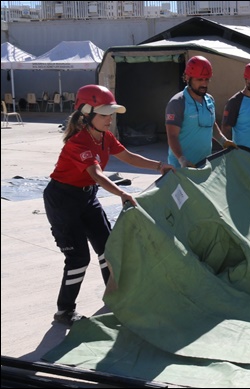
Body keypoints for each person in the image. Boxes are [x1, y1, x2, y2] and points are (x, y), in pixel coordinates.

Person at [44, 84, 174, 326]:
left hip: (86, 197)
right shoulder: (78, 143)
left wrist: (159, 166)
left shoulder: (105, 137)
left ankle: (115, 295)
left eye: (111, 113)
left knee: (108, 248)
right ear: (86, 114)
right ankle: (64, 311)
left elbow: (128, 156)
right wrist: (122, 193)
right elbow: (97, 174)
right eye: (104, 114)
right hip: (63, 201)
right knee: (78, 258)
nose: (109, 118)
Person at [165, 55, 234, 168]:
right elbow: (172, 136)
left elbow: (211, 124)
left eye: (207, 79)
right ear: (187, 78)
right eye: (199, 79)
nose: (204, 84)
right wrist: (182, 159)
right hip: (182, 168)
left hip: (204, 165)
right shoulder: (178, 103)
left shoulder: (209, 100)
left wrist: (224, 141)